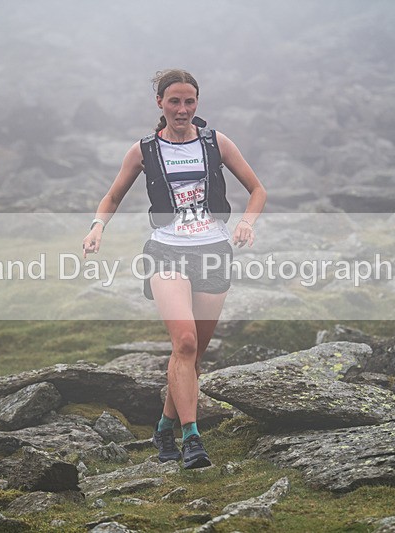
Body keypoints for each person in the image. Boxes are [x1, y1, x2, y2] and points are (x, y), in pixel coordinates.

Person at [82, 69, 266, 469]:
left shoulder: (216, 142)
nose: (182, 109)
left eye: (189, 102)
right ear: (160, 104)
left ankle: (164, 426)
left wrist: (247, 222)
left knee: (194, 356)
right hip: (167, 251)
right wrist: (97, 228)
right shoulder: (144, 150)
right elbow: (112, 197)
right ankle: (192, 439)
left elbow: (257, 189)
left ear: (196, 104)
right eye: (174, 102)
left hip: (214, 251)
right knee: (183, 342)